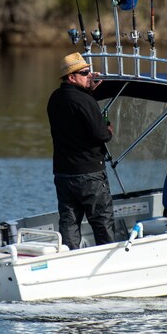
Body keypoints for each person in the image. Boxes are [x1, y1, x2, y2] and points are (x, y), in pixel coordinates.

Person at [47, 52, 115, 249]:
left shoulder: (55, 98)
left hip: (63, 174)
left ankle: (68, 261)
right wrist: (108, 128)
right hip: (90, 175)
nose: (89, 76)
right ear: (71, 77)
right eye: (85, 73)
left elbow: (75, 119)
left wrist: (89, 92)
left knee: (69, 224)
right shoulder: (84, 101)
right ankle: (109, 264)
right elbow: (102, 134)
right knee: (102, 223)